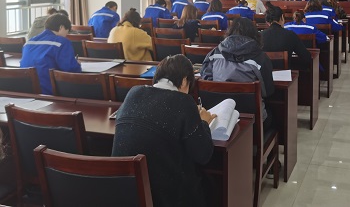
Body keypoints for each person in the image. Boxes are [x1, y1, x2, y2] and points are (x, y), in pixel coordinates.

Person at [112, 55, 216, 207]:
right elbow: (203, 155)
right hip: (164, 197)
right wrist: (204, 122)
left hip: (126, 192)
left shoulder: (133, 93)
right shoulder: (183, 101)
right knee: (209, 184)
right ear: (184, 81)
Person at [201, 17, 275, 128]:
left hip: (220, 118)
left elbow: (206, 83)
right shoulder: (260, 58)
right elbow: (268, 92)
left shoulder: (214, 54)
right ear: (255, 34)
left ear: (229, 32)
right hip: (253, 120)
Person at [20, 13, 81, 95]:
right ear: (61, 27)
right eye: (67, 31)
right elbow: (70, 69)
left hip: (27, 91)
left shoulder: (29, 42)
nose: (66, 35)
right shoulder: (62, 42)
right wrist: (77, 64)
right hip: (49, 91)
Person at [261, 2, 311, 67]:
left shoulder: (259, 36)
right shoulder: (290, 35)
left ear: (267, 22)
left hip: (264, 72)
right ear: (282, 17)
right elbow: (306, 57)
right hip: (285, 72)